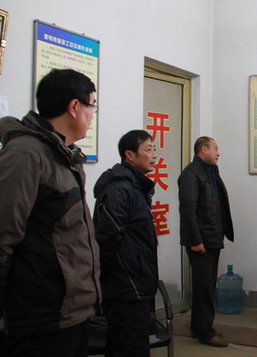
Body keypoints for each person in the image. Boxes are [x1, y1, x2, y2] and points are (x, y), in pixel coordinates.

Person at [0, 68, 100, 357]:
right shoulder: (25, 155)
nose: (93, 114)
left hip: (72, 311)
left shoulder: (64, 154)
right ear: (74, 107)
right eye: (92, 105)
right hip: (43, 316)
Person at [93, 130, 158, 356]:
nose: (154, 155)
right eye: (148, 149)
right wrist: (106, 281)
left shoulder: (135, 185)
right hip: (126, 287)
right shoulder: (120, 188)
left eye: (155, 149)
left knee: (127, 345)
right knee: (129, 347)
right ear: (129, 155)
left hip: (135, 283)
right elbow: (106, 239)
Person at [178, 136, 234, 348]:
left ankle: (198, 327)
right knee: (204, 288)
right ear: (204, 149)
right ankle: (205, 332)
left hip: (211, 238)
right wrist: (195, 240)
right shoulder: (191, 174)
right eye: (215, 149)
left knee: (206, 285)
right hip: (201, 241)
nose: (218, 153)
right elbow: (188, 210)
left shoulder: (209, 171)